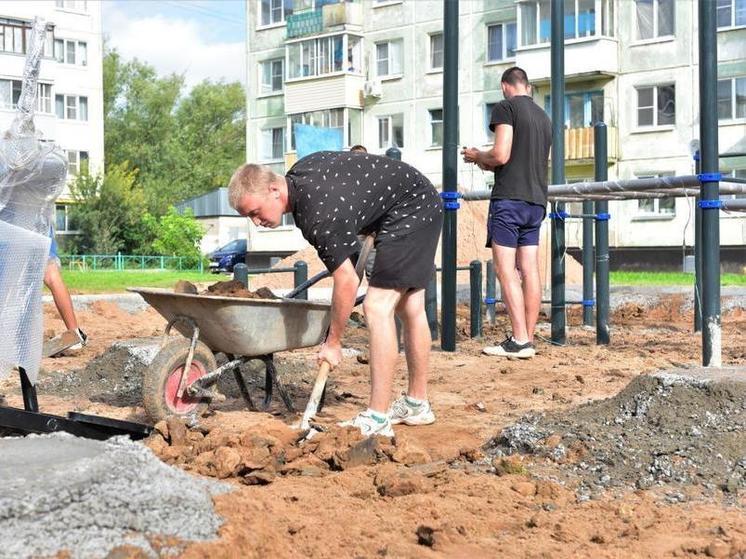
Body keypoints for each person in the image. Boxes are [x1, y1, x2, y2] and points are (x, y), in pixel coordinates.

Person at [228, 152, 443, 437]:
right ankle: (417, 404)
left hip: (411, 208)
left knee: (377, 307)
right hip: (416, 198)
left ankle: (377, 418)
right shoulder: (300, 175)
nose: (255, 222)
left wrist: (334, 341)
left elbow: (346, 280)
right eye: (248, 217)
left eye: (254, 212)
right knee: (409, 306)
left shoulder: (317, 212)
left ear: (273, 190)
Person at [461, 66, 551, 359]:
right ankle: (527, 335)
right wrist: (488, 162)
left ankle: (520, 339)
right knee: (530, 269)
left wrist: (477, 156)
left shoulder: (505, 108)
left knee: (505, 269)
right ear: (526, 85)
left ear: (505, 86)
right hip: (536, 200)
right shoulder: (544, 117)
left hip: (509, 200)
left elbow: (501, 154)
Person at [44, 232, 87, 355]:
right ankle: (74, 333)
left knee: (13, 281)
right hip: (40, 225)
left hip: (14, 225)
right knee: (52, 275)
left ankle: (17, 341)